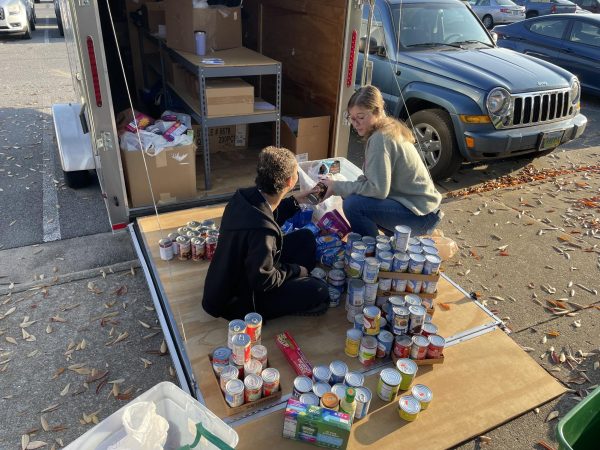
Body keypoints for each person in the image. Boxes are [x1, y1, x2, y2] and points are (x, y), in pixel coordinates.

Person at [202, 147, 330, 321]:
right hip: (240, 300)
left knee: (305, 237)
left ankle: (289, 280)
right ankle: (291, 285)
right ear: (289, 181)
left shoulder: (243, 197)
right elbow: (263, 280)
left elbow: (267, 214)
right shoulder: (262, 232)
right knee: (319, 290)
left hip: (235, 275)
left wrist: (296, 201)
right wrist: (295, 270)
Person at [321, 85, 442, 237]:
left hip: (421, 216)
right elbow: (372, 181)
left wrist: (336, 186)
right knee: (353, 195)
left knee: (353, 205)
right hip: (422, 210)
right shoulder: (388, 129)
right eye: (351, 118)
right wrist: (340, 186)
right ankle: (379, 244)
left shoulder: (380, 138)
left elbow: (378, 190)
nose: (355, 123)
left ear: (377, 112)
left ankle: (369, 252)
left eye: (361, 117)